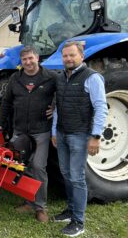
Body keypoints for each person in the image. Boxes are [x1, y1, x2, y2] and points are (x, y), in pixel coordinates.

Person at [0, 46, 57, 222]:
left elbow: (63, 93)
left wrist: (55, 107)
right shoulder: (16, 78)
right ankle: (28, 201)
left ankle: (40, 207)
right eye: (24, 60)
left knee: (38, 167)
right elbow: (6, 103)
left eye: (31, 58)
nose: (28, 62)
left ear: (37, 58)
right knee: (22, 165)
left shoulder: (51, 77)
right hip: (20, 130)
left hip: (41, 131)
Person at [51, 41, 108, 237]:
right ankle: (70, 209)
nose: (68, 59)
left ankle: (79, 221)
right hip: (62, 133)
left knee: (77, 177)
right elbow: (57, 107)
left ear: (81, 57)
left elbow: (101, 107)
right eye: (65, 56)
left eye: (72, 55)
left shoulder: (92, 78)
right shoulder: (61, 78)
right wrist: (53, 132)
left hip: (80, 135)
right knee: (66, 173)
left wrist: (96, 136)